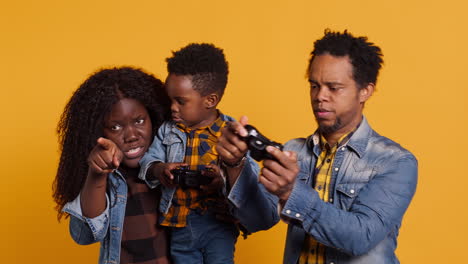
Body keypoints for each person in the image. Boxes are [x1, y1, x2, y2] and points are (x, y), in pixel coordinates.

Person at [216, 30, 418, 264]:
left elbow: (361, 237)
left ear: (365, 91)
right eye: (314, 85)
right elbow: (259, 219)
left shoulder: (395, 162)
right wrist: (234, 163)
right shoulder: (294, 151)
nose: (320, 96)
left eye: (333, 88)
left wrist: (291, 193)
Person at [138, 43, 278, 264]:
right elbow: (148, 160)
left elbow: (248, 184)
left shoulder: (232, 135)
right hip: (179, 224)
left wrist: (221, 182)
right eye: (170, 100)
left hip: (217, 225)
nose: (172, 107)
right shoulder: (167, 130)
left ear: (210, 100)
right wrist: (159, 169)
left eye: (181, 101)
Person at [52, 67, 172, 264]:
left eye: (140, 121)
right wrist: (97, 174)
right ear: (97, 131)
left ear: (155, 117)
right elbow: (84, 235)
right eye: (115, 127)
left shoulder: (172, 160)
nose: (132, 136)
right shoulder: (109, 176)